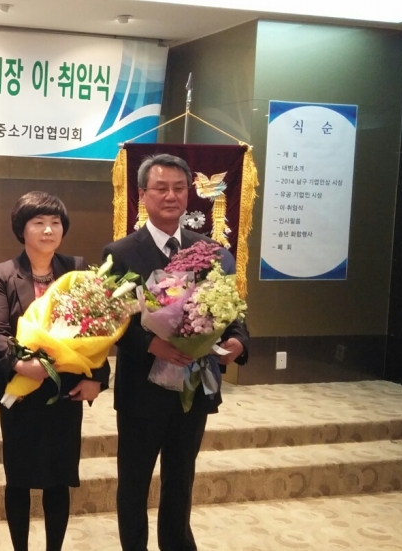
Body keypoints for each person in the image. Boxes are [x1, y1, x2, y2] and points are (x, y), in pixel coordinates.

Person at [102, 153, 249, 551]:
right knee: (134, 481)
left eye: (179, 188)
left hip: (194, 387)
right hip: (141, 389)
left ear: (188, 193)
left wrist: (238, 341)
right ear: (143, 194)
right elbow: (111, 321)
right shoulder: (120, 252)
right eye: (161, 188)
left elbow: (232, 310)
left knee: (181, 479)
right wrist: (153, 344)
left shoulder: (211, 251)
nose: (171, 196)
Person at [0, 191, 109, 551]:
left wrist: (97, 379)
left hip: (65, 392)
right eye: (38, 222)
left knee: (59, 480)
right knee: (19, 480)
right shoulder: (2, 275)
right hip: (22, 392)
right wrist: (21, 364)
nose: (48, 230)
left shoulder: (77, 269)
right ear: (21, 229)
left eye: (55, 223)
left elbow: (99, 327)